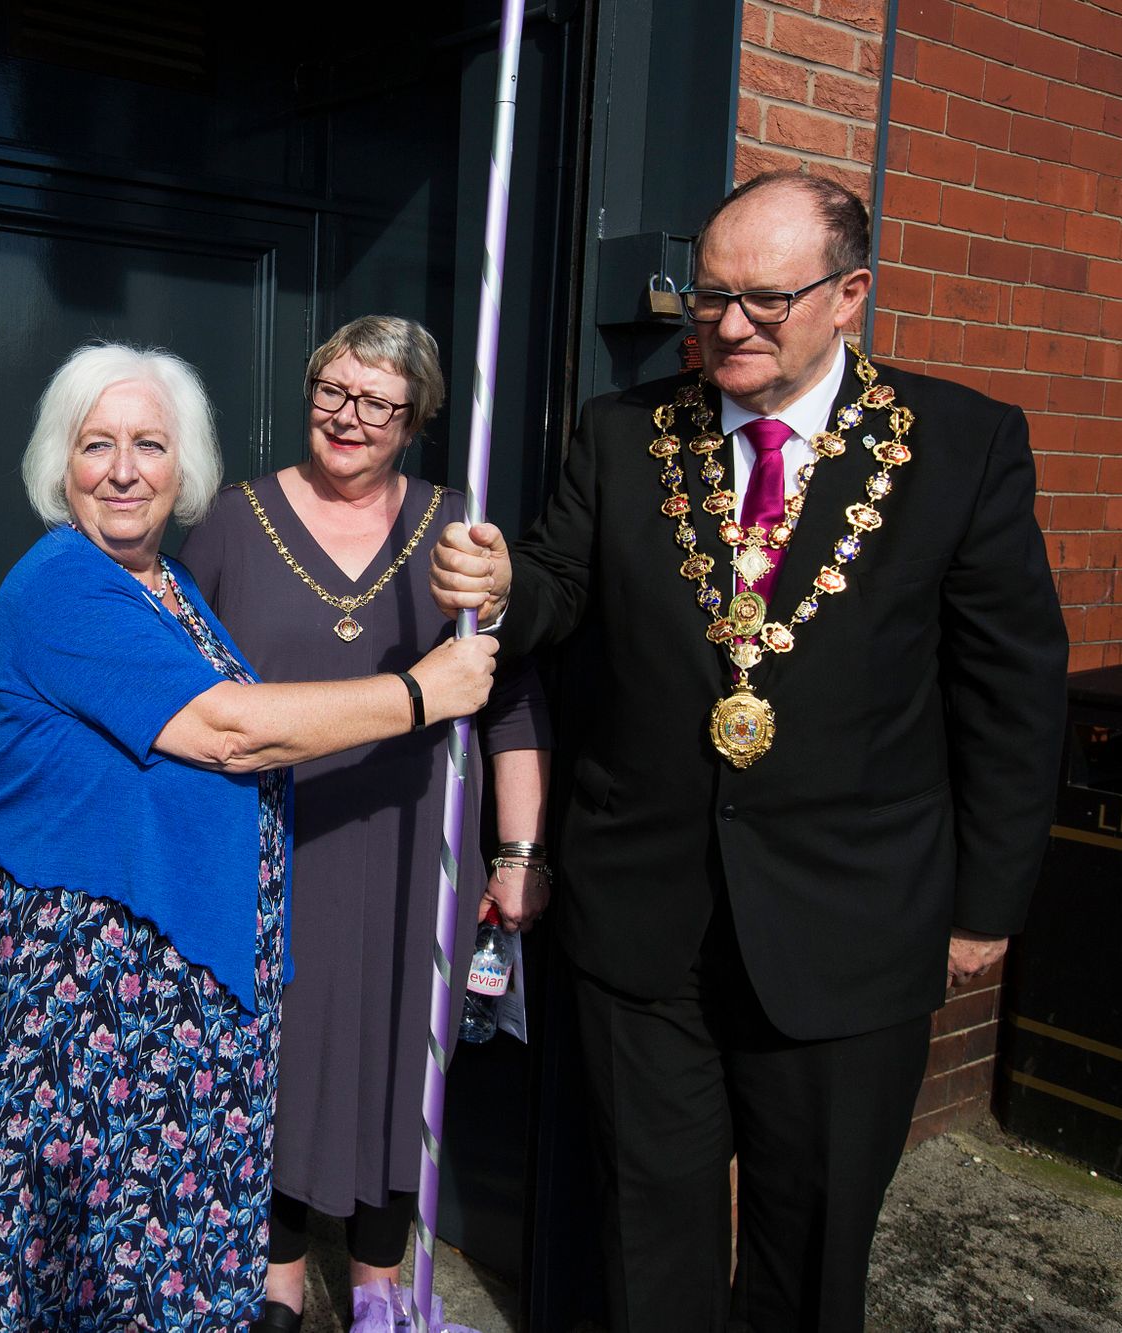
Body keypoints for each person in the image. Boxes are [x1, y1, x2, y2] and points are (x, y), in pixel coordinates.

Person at [431, 172, 1067, 1331]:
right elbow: (558, 591)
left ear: (848, 295)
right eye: (709, 296)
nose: (727, 325)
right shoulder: (620, 431)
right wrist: (506, 585)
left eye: (764, 300)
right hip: (642, 913)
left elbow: (1008, 694)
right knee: (642, 1236)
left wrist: (985, 904)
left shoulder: (959, 444)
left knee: (810, 1240)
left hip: (851, 919)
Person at [0, 342, 502, 1329]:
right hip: (83, 1019)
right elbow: (228, 731)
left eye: (149, 445)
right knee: (64, 1277)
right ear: (58, 463)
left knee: (157, 1278)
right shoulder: (64, 583)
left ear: (182, 465)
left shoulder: (167, 584)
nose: (123, 470)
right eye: (96, 445)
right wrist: (420, 693)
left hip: (168, 1018)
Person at [178, 316, 551, 1330]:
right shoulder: (231, 522)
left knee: (403, 1054)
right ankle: (277, 1279)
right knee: (278, 1058)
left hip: (419, 849)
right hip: (272, 845)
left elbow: (512, 701)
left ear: (415, 421)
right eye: (332, 391)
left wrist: (518, 852)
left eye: (379, 403)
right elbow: (183, 691)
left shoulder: (459, 529)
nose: (348, 417)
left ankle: (382, 1283)